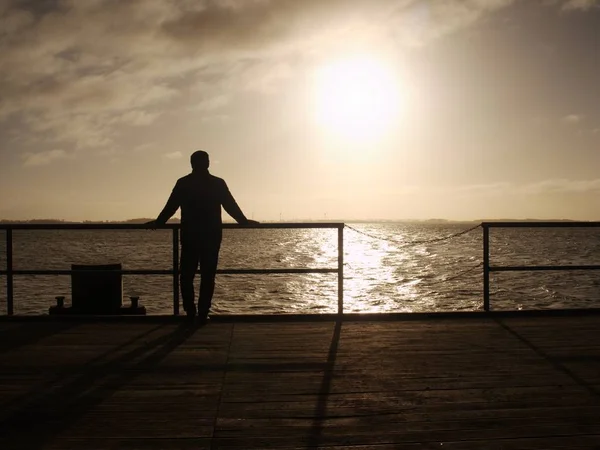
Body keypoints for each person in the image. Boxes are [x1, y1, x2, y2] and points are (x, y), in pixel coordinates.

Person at [147, 150, 258, 323]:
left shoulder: (184, 183)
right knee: (207, 275)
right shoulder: (217, 183)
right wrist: (243, 221)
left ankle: (190, 312)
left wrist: (159, 222)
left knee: (186, 275)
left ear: (192, 164)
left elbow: (171, 207)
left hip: (190, 235)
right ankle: (202, 312)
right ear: (207, 163)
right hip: (211, 235)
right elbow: (230, 205)